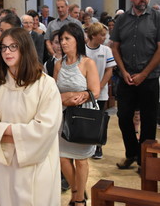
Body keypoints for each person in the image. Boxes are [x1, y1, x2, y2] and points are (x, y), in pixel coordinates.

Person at [0, 28, 62, 206]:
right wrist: (19, 133)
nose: (7, 51)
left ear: (25, 48)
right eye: (4, 47)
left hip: (36, 163)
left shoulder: (45, 85)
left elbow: (45, 128)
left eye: (13, 47)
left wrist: (4, 131)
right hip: (6, 163)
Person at [111, 0, 160, 171]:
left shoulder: (156, 18)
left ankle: (145, 162)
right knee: (123, 117)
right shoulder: (122, 20)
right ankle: (132, 153)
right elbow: (115, 46)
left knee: (148, 121)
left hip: (149, 78)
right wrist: (123, 72)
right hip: (126, 78)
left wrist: (143, 74)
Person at [53, 23, 100, 206]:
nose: (63, 43)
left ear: (77, 40)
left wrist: (75, 97)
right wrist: (64, 99)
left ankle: (78, 199)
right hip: (64, 115)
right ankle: (76, 189)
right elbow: (54, 92)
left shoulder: (87, 63)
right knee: (63, 157)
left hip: (83, 116)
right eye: (61, 40)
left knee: (80, 160)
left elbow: (95, 91)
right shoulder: (58, 65)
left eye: (67, 39)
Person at [86, 22, 116, 159]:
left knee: (100, 119)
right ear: (93, 35)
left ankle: (98, 146)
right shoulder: (83, 50)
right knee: (86, 118)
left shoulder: (106, 50)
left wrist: (99, 86)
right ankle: (86, 144)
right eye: (102, 35)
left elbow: (109, 70)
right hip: (85, 91)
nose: (105, 37)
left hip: (101, 92)